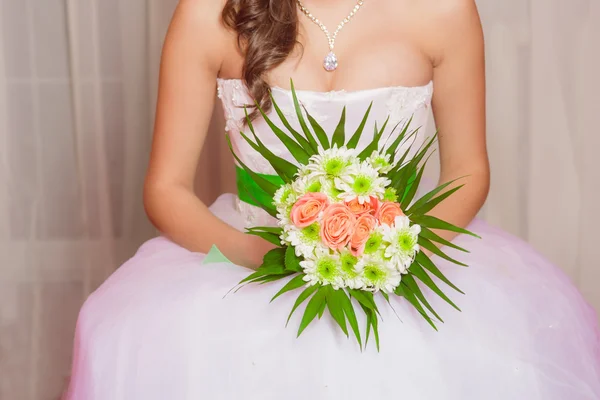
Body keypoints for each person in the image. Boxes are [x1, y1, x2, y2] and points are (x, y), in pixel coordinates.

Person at [65, 0, 600, 398]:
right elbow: (165, 190)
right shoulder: (210, 13)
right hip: (244, 256)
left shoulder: (444, 9)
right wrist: (265, 255)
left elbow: (468, 171)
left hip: (400, 261)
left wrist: (393, 250)